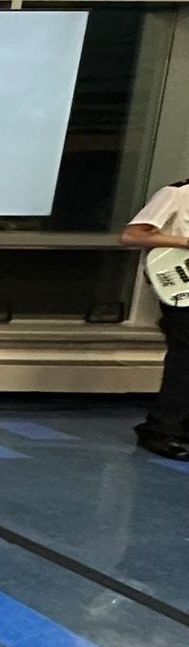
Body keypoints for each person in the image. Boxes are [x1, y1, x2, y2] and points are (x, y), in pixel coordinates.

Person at [122, 177, 189, 460]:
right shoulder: (177, 193)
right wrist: (183, 241)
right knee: (184, 361)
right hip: (182, 289)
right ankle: (162, 429)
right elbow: (132, 236)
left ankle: (179, 428)